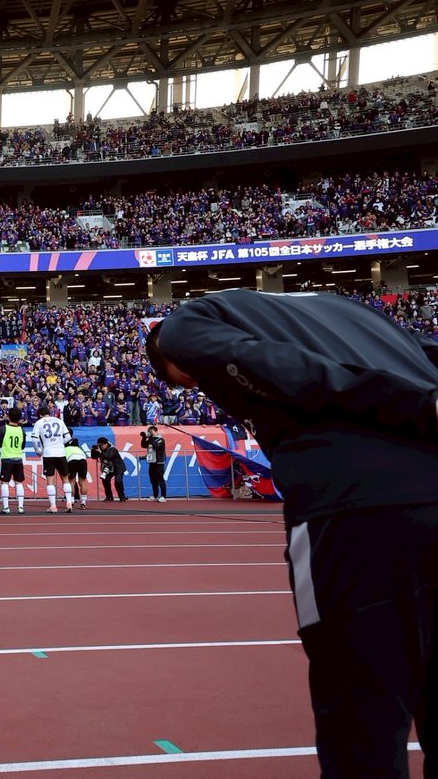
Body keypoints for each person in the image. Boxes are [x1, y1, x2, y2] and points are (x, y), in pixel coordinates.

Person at [146, 288, 438, 776]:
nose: (200, 386)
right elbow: (421, 354)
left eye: (188, 380)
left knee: (359, 713)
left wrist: (414, 404)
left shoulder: (180, 326)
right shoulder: (352, 311)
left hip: (350, 506)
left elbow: (268, 363)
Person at [32, 404, 73, 513]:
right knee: (65, 479)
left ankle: (53, 506)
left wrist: (38, 451)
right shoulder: (59, 421)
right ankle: (69, 503)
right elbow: (68, 437)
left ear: (40, 415)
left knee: (50, 481)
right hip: (60, 452)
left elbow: (35, 440)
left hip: (48, 453)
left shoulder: (39, 423)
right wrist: (60, 443)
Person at [0, 408, 27, 514]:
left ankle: (6, 507)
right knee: (19, 482)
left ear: (8, 416)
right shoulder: (21, 430)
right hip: (18, 458)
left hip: (7, 458)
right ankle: (21, 507)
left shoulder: (3, 429)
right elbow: (22, 446)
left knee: (5, 483)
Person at [92, 437, 127, 502]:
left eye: (101, 445)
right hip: (108, 468)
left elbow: (109, 457)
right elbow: (93, 457)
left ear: (106, 444)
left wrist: (100, 452)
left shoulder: (112, 449)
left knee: (118, 482)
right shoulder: (100, 449)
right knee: (105, 480)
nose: (100, 447)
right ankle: (109, 496)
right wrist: (94, 450)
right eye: (99, 445)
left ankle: (122, 497)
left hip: (118, 467)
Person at [139, 424, 167, 502]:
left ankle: (163, 496)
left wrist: (150, 438)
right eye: (149, 432)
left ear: (156, 431)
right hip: (152, 462)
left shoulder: (160, 439)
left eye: (152, 432)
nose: (150, 433)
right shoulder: (151, 439)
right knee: (153, 480)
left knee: (160, 479)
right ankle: (155, 495)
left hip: (159, 462)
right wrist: (144, 437)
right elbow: (143, 445)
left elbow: (156, 446)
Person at [64, 432, 89, 510]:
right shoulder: (78, 448)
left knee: (72, 481)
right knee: (82, 481)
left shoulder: (64, 448)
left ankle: (71, 501)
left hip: (72, 460)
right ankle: (83, 502)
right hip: (82, 459)